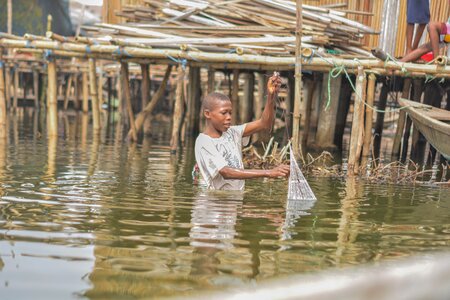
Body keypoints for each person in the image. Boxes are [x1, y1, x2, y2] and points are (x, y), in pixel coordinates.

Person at [194, 73, 290, 190]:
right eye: (224, 113)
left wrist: (271, 95)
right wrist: (269, 172)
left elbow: (264, 123)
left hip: (233, 202)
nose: (229, 117)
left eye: (230, 112)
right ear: (207, 114)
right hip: (214, 204)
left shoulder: (233, 132)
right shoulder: (203, 141)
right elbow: (226, 172)